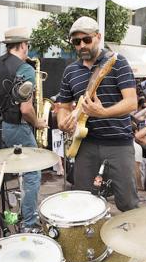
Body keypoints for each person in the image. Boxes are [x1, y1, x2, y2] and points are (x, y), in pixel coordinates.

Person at [57, 16, 139, 211]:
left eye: (87, 39)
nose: (82, 45)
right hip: (85, 145)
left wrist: (103, 112)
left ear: (98, 37)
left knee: (127, 202)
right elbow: (63, 105)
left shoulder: (117, 62)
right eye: (76, 42)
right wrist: (62, 121)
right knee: (84, 201)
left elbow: (131, 102)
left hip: (118, 143)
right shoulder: (70, 71)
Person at [0, 26, 48, 232]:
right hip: (16, 126)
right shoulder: (26, 68)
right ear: (23, 45)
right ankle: (29, 223)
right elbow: (26, 108)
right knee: (32, 173)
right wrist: (38, 122)